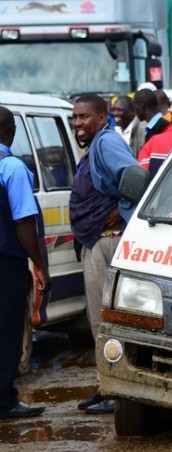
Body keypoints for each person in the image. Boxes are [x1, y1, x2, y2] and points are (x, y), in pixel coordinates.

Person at [70, 93, 139, 414]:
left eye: (84, 116)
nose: (77, 123)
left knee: (105, 321)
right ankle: (107, 385)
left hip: (107, 241)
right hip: (98, 240)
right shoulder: (97, 145)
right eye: (75, 117)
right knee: (100, 320)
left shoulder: (107, 142)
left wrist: (122, 208)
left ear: (101, 118)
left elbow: (134, 176)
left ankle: (115, 390)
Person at [0, 106, 50, 419]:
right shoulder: (13, 168)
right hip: (6, 262)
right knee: (7, 329)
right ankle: (4, 400)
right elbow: (22, 222)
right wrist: (39, 264)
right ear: (12, 132)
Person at [131, 88, 169, 157]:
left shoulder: (163, 127)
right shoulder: (150, 129)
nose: (135, 112)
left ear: (142, 106)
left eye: (135, 108)